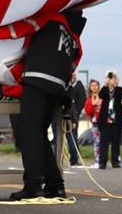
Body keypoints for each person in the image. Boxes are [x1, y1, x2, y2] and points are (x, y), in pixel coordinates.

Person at [7, 12, 84, 201]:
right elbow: (73, 65)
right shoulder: (73, 36)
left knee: (29, 133)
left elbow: (19, 32)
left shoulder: (47, 17)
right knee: (39, 135)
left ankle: (33, 186)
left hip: (37, 80)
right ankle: (55, 185)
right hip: (59, 88)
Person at [96, 70, 122, 169]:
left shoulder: (118, 90)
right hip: (105, 120)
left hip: (116, 120)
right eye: (110, 78)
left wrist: (119, 86)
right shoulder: (104, 90)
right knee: (104, 141)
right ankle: (102, 161)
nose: (112, 80)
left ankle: (115, 161)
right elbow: (101, 95)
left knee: (115, 141)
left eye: (114, 78)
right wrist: (106, 85)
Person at [68, 70, 86, 167]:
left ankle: (74, 158)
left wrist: (75, 116)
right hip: (64, 115)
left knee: (72, 136)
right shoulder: (66, 86)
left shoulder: (79, 86)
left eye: (74, 74)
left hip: (74, 115)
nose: (72, 75)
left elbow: (81, 101)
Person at [83, 79, 102, 168]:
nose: (94, 87)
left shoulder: (102, 97)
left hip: (103, 122)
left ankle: (104, 159)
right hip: (95, 123)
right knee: (96, 142)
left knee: (104, 141)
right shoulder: (89, 99)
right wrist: (93, 104)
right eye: (92, 86)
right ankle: (97, 160)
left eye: (96, 85)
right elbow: (87, 111)